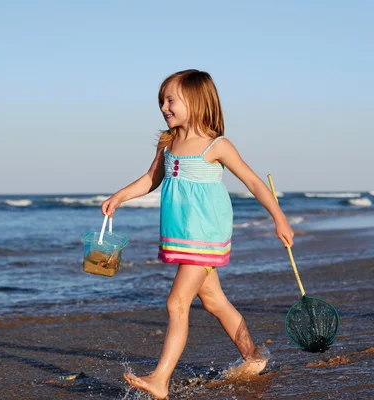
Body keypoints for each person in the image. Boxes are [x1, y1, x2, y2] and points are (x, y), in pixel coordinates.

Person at [101, 69, 294, 399]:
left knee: (177, 302)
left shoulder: (216, 146)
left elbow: (253, 182)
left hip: (205, 235)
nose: (164, 106)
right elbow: (151, 179)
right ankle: (254, 357)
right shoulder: (168, 142)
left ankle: (160, 379)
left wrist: (279, 218)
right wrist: (119, 196)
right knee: (214, 300)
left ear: (195, 101)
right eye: (161, 100)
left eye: (170, 99)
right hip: (182, 234)